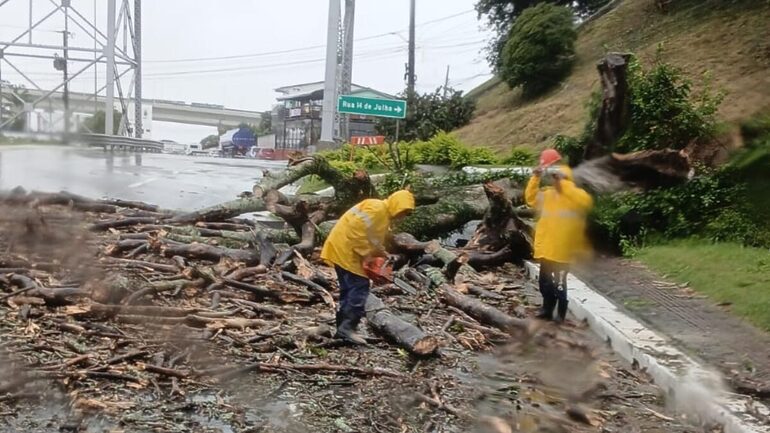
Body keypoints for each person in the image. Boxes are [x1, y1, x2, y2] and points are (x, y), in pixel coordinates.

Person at [320, 190, 415, 344]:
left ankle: (342, 328)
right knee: (359, 287)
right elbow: (357, 232)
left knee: (348, 289)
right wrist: (367, 255)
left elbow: (371, 236)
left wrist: (381, 252)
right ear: (397, 206)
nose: (402, 216)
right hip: (348, 250)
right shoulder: (377, 209)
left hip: (344, 249)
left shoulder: (380, 213)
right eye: (403, 212)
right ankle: (347, 328)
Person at [525, 161, 593, 323]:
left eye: (558, 178)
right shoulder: (548, 195)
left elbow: (585, 202)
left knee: (559, 285)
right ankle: (547, 309)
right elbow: (530, 198)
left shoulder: (576, 196)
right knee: (545, 284)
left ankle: (560, 314)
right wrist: (535, 177)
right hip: (547, 250)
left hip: (563, 252)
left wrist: (564, 183)